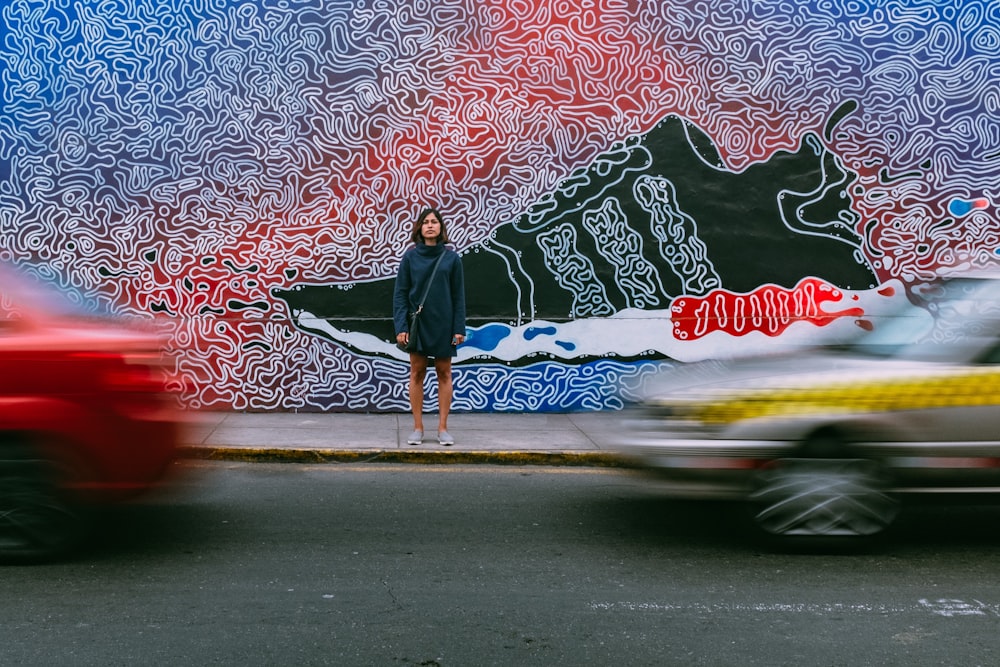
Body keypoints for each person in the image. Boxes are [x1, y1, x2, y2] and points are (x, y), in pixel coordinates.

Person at [393, 207, 466, 446]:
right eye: (426, 222)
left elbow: (458, 296)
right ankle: (417, 428)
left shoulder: (451, 259)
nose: (431, 225)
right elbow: (401, 294)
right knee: (417, 373)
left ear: (441, 228)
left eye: (435, 221)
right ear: (420, 228)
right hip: (419, 324)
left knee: (444, 373)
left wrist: (459, 327)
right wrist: (401, 326)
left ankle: (443, 429)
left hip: (444, 323)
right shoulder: (410, 257)